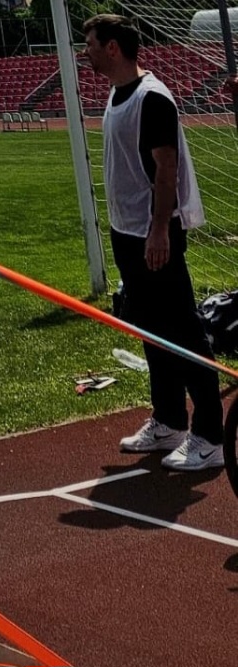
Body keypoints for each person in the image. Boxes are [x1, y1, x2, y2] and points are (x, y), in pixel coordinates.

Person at [83, 14, 223, 471]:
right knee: (150, 328)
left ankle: (210, 435)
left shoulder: (152, 98)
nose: (86, 53)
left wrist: (160, 228)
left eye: (91, 44)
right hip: (127, 230)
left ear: (113, 48)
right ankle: (169, 419)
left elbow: (167, 168)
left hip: (154, 231)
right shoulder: (117, 94)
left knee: (182, 329)